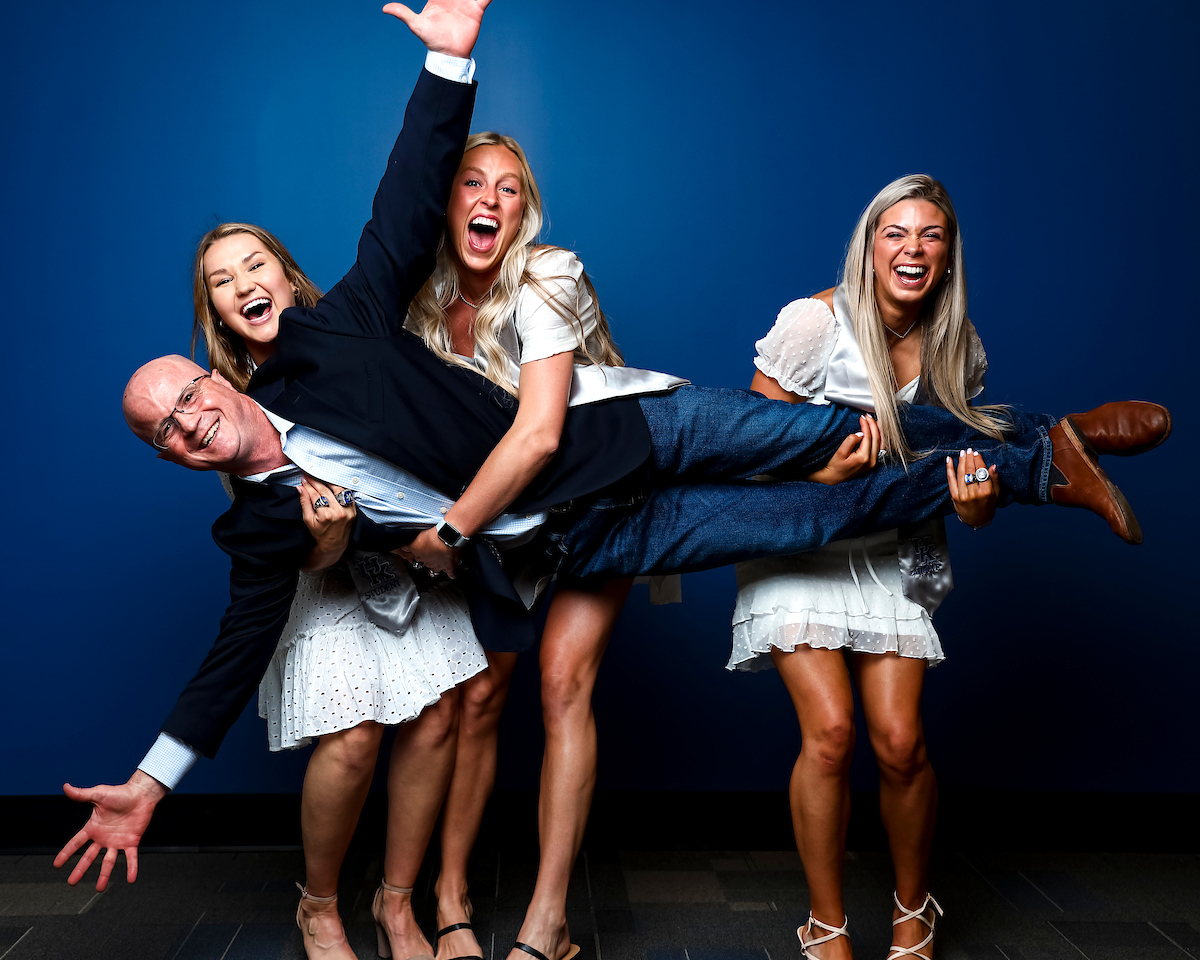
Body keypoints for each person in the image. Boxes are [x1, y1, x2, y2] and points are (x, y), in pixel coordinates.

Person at [57, 8, 1168, 947]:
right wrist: (150, 784)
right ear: (173, 444)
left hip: (624, 436)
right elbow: (231, 652)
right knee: (815, 514)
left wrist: (447, 61)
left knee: (828, 433)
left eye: (188, 396)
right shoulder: (255, 525)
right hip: (576, 541)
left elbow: (403, 204)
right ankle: (1043, 461)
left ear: (224, 376)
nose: (192, 418)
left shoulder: (330, 331)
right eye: (169, 426)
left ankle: (1037, 455)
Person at [728, 174, 1010, 959]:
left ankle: (913, 912)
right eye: (895, 233)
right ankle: (825, 923)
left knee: (899, 744)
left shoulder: (961, 347)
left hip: (894, 550)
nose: (912, 249)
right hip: (797, 543)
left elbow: (960, 482)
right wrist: (821, 477)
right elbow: (746, 453)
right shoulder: (814, 324)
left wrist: (975, 507)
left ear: (948, 255)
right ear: (869, 246)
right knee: (831, 733)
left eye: (929, 236)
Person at [195, 214, 488, 960]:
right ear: (219, 314)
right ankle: (318, 908)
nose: (243, 286)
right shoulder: (227, 405)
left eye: (253, 265)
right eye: (222, 283)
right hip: (323, 578)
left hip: (414, 561)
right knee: (354, 739)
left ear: (288, 277)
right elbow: (284, 547)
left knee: (434, 720)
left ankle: (397, 905)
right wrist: (327, 543)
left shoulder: (350, 336)